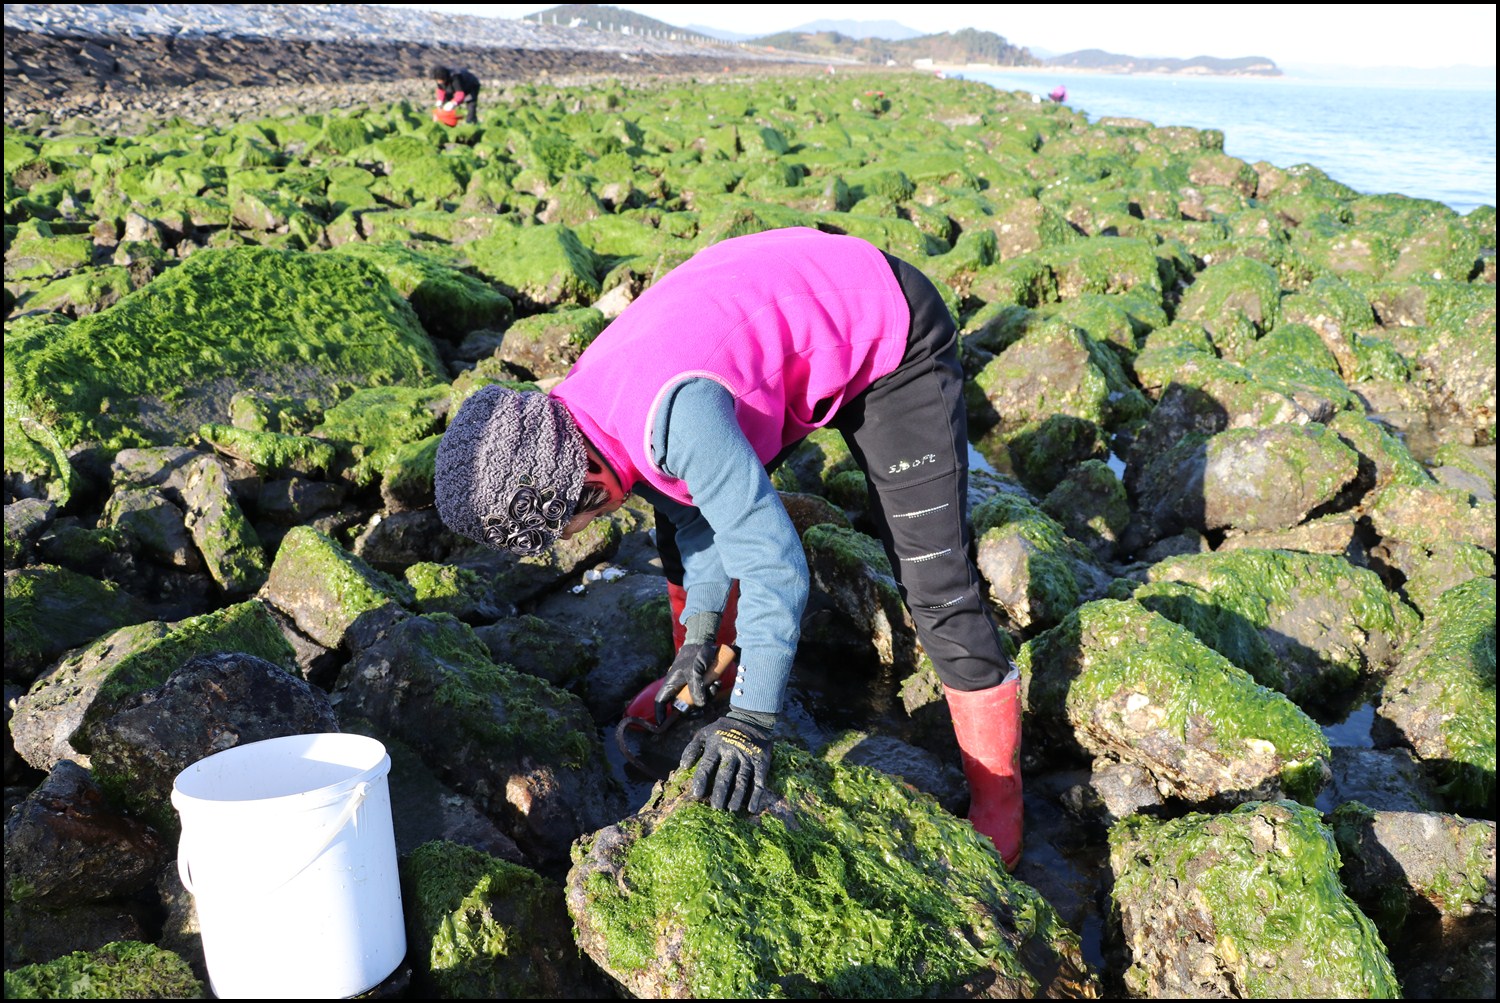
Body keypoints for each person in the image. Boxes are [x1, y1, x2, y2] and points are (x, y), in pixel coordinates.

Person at [433, 227, 1024, 869]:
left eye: (560, 528)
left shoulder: (676, 419)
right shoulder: (576, 414)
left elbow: (779, 568)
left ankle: (999, 791)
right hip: (766, 324)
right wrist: (699, 634)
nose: (569, 540)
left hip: (884, 320)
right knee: (676, 522)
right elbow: (691, 511)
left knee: (935, 583)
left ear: (583, 482)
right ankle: (715, 665)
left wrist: (751, 725)